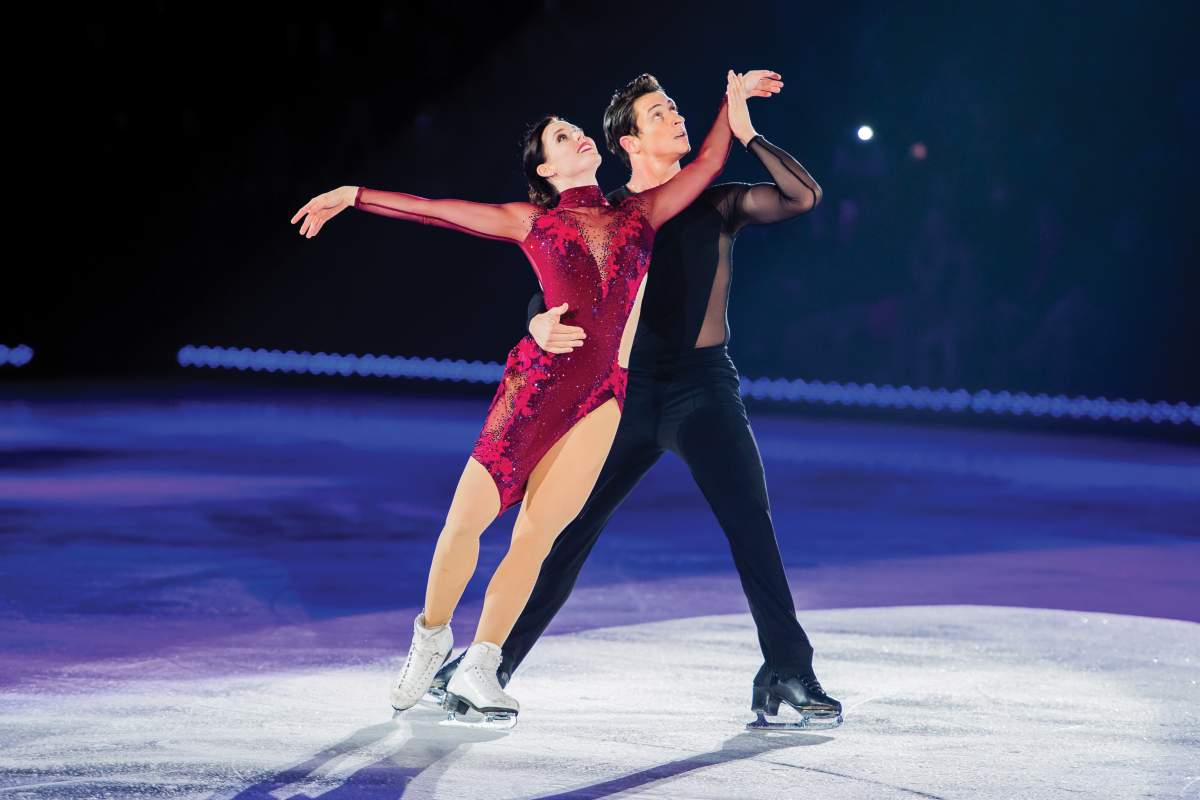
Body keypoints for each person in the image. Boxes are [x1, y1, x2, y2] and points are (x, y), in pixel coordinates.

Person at [290, 70, 758, 729]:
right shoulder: (529, 220)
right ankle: (431, 636)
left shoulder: (640, 213)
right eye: (562, 138)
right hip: (536, 388)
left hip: (603, 397)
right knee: (464, 525)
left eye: (577, 130)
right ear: (545, 168)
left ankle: (483, 665)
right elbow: (433, 210)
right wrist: (354, 195)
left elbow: (708, 163)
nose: (578, 137)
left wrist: (731, 108)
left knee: (536, 538)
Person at [429, 72, 843, 731]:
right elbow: (554, 282)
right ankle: (488, 667)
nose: (677, 117)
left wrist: (746, 134)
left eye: (676, 108)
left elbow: (803, 195)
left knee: (750, 520)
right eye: (660, 113)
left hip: (703, 388)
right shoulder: (611, 213)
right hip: (617, 396)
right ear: (629, 141)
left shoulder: (715, 201)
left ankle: (786, 670)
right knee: (561, 535)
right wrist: (536, 321)